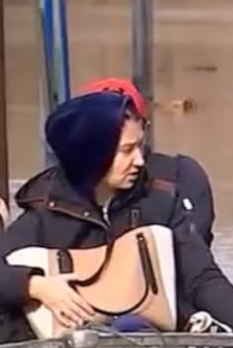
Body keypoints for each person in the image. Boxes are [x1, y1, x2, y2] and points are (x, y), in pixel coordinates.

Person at [0, 91, 233, 348]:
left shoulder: (159, 207)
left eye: (140, 147)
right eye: (126, 151)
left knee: (132, 330)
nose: (139, 160)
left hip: (148, 346)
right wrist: (39, 287)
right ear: (92, 154)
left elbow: (202, 278)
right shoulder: (44, 214)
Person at [76, 77, 217, 247]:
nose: (138, 160)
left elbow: (195, 254)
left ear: (143, 128)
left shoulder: (180, 178)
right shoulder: (52, 195)